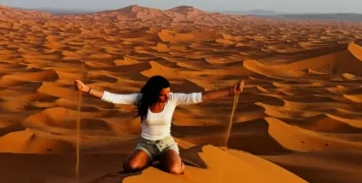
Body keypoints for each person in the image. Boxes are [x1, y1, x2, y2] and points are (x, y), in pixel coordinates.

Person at [74, 75, 245, 175]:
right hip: (146, 144)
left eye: (168, 94)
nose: (167, 97)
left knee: (175, 169)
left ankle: (172, 159)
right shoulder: (141, 99)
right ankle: (150, 159)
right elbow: (114, 97)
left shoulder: (174, 99)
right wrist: (86, 89)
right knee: (130, 167)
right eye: (163, 95)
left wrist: (230, 91)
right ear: (154, 93)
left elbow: (201, 97)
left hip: (165, 143)